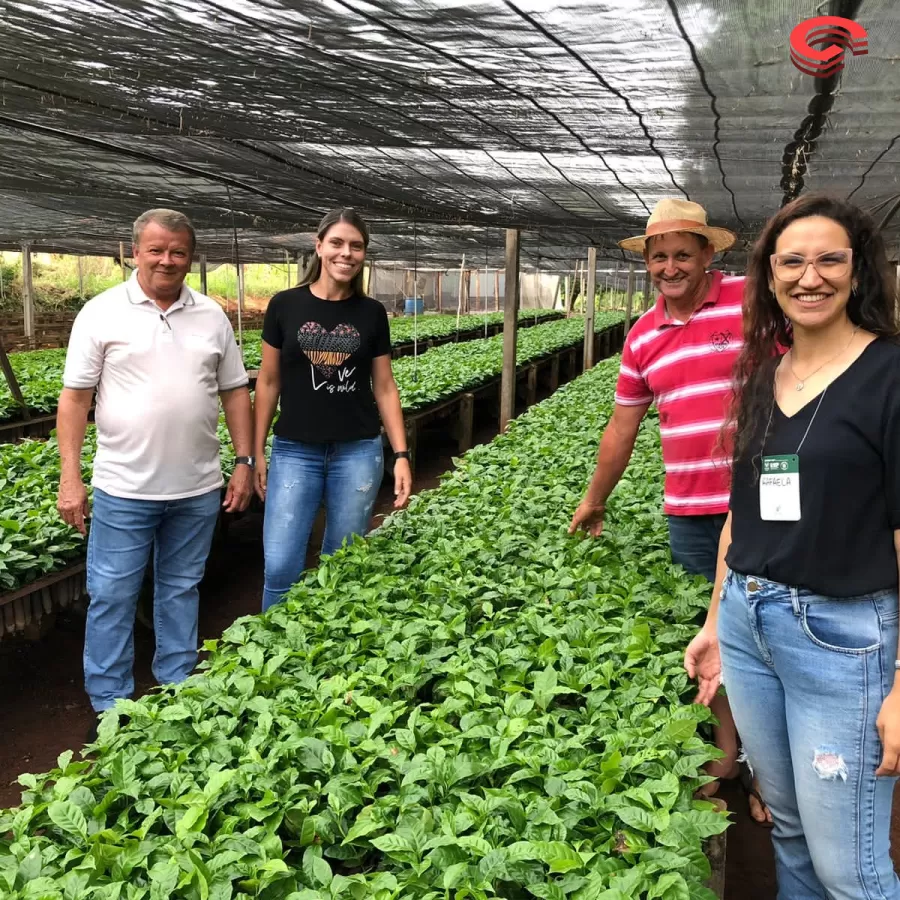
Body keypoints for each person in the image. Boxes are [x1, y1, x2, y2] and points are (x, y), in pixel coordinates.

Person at [685, 193, 900, 897]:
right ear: (770, 278)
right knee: (787, 826)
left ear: (859, 272)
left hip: (841, 639)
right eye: (793, 262)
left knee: (852, 869)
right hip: (751, 625)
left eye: (830, 259)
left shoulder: (890, 376)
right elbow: (738, 519)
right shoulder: (761, 377)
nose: (812, 277)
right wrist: (717, 620)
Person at [569, 198, 770, 824]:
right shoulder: (641, 336)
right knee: (710, 641)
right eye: (659, 256)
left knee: (769, 636)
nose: (670, 266)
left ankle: (770, 776)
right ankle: (724, 760)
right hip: (689, 510)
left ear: (710, 255)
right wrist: (593, 499)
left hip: (765, 504)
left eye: (683, 254)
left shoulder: (753, 300)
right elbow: (621, 427)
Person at [57, 208, 254, 732]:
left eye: (178, 251)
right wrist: (70, 477)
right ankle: (109, 698)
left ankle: (177, 680)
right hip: (125, 486)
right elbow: (75, 399)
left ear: (191, 257)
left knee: (181, 585)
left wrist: (244, 461)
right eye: (156, 249)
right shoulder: (101, 313)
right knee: (112, 593)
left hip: (196, 485)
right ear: (134, 251)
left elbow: (236, 392)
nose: (167, 260)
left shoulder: (212, 315)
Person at [254, 208, 412, 611]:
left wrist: (401, 455)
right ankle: (273, 649)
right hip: (294, 449)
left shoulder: (371, 313)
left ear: (364, 254)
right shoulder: (284, 306)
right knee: (280, 564)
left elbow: (384, 386)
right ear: (319, 246)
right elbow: (268, 381)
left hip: (357, 451)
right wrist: (255, 453)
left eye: (356, 246)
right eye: (338, 243)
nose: (347, 253)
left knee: (342, 563)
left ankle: (326, 656)